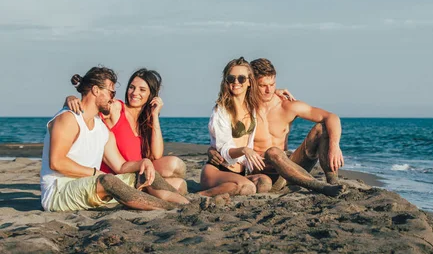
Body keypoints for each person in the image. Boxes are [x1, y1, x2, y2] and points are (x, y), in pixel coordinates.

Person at [41, 66, 190, 212]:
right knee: (108, 180)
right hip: (59, 191)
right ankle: (168, 207)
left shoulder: (101, 129)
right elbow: (56, 162)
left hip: (89, 185)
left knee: (141, 174)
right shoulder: (69, 118)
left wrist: (143, 162)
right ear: (95, 90)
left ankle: (187, 204)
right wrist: (95, 173)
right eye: (111, 92)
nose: (113, 97)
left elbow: (121, 166)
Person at [208, 58, 345, 197]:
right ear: (251, 83)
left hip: (292, 169)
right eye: (263, 85)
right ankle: (319, 186)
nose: (269, 90)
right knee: (272, 152)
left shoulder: (286, 106)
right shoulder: (246, 108)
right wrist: (212, 150)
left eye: (272, 84)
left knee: (322, 129)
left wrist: (334, 146)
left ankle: (333, 182)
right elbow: (224, 135)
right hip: (264, 175)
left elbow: (331, 117)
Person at [65, 69, 186, 193]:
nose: (135, 93)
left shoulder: (145, 121)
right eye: (132, 87)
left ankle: (149, 188)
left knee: (177, 170)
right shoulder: (117, 107)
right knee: (176, 186)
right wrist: (70, 99)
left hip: (139, 171)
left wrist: (154, 116)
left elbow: (156, 155)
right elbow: (90, 106)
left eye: (142, 90)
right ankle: (148, 190)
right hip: (116, 174)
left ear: (151, 95)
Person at [198, 57, 273, 197]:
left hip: (240, 172)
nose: (236, 82)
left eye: (241, 79)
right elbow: (224, 150)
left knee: (265, 183)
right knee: (248, 187)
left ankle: (231, 187)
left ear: (250, 82)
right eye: (231, 78)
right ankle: (202, 195)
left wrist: (281, 91)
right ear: (226, 81)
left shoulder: (252, 108)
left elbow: (267, 92)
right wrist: (245, 150)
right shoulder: (221, 110)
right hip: (217, 170)